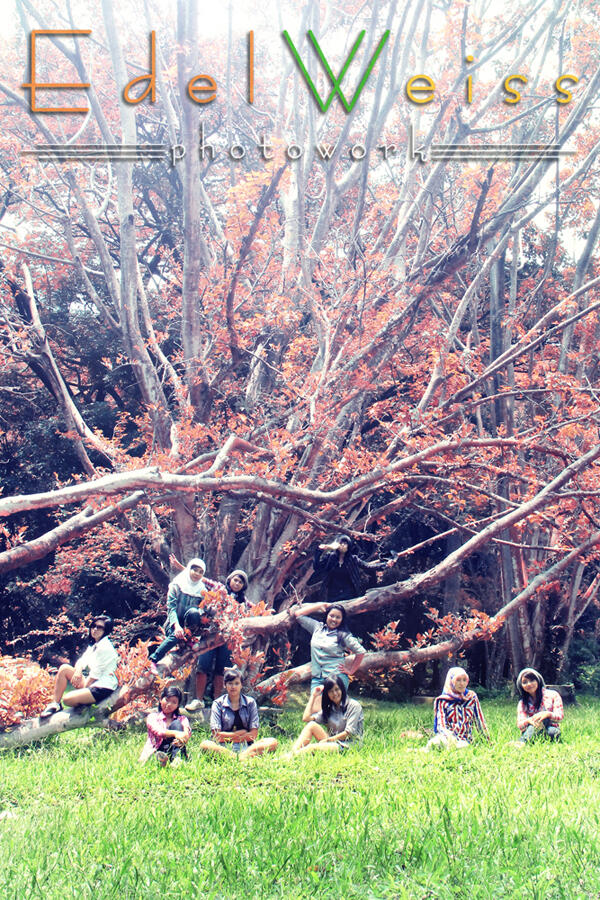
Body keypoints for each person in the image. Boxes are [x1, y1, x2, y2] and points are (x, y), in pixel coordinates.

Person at [186, 570, 251, 712]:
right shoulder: (219, 589)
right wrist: (181, 567)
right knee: (202, 666)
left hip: (227, 639)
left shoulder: (244, 602)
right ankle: (198, 700)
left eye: (240, 582)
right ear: (229, 580)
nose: (237, 583)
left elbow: (257, 610)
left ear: (243, 586)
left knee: (222, 671)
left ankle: (217, 702)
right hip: (210, 633)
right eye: (235, 580)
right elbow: (202, 578)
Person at [39, 615, 118, 717]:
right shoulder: (94, 645)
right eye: (93, 626)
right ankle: (55, 704)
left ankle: (84, 705)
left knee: (67, 699)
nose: (95, 629)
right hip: (92, 681)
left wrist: (82, 690)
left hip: (102, 687)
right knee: (64, 669)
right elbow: (81, 661)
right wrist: (78, 671)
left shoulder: (105, 648)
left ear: (106, 630)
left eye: (99, 627)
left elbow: (95, 676)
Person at [199, 667, 277, 760]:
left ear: (241, 685)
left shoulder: (250, 703)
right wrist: (239, 734)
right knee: (205, 745)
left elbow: (253, 735)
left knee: (272, 742)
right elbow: (217, 736)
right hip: (223, 747)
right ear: (225, 685)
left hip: (247, 747)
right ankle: (237, 757)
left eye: (236, 683)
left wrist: (231, 736)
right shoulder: (218, 704)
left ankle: (240, 757)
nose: (233, 687)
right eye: (230, 683)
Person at [292, 602, 365, 697]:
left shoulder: (344, 635)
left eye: (338, 617)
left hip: (336, 678)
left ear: (342, 620)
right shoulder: (317, 627)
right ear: (327, 616)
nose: (334, 619)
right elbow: (298, 615)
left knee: (334, 710)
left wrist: (351, 671)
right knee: (315, 710)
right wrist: (321, 605)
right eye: (331, 615)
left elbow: (361, 652)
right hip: (317, 678)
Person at [149, 558, 210, 668]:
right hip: (174, 624)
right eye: (195, 570)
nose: (197, 574)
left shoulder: (202, 589)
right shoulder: (176, 585)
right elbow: (171, 608)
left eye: (201, 572)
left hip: (189, 626)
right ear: (189, 569)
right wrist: (177, 626)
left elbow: (202, 611)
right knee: (177, 635)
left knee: (195, 613)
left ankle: (190, 639)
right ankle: (154, 659)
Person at [290, 675, 364, 754]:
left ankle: (290, 757)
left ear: (342, 689)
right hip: (333, 742)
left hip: (348, 746)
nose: (334, 693)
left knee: (312, 748)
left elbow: (349, 733)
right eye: (331, 691)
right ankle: (292, 753)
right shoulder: (330, 708)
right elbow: (306, 718)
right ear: (327, 694)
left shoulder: (354, 706)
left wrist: (328, 740)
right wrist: (313, 696)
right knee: (311, 725)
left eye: (337, 689)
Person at [425, 666, 489, 750]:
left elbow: (479, 721)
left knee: (462, 746)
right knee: (433, 743)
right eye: (458, 680)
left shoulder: (471, 697)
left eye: (464, 680)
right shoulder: (442, 700)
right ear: (451, 681)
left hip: (465, 740)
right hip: (447, 739)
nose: (461, 683)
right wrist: (450, 738)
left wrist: (487, 741)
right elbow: (441, 725)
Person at [313, 535, 386, 603]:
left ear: (349, 546)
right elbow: (317, 567)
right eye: (341, 543)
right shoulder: (330, 557)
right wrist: (319, 551)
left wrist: (385, 565)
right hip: (332, 593)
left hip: (349, 593)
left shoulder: (353, 559)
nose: (343, 545)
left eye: (345, 543)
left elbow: (367, 566)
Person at [139, 684, 191, 766]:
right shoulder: (153, 717)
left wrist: (182, 738)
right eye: (167, 700)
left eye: (174, 702)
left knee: (177, 723)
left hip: (175, 747)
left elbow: (186, 733)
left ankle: (177, 759)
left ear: (177, 705)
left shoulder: (182, 719)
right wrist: (176, 734)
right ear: (160, 699)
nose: (169, 704)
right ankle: (163, 760)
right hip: (157, 750)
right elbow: (159, 732)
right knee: (159, 755)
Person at [515, 667, 563, 745]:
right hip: (531, 729)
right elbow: (520, 725)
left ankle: (522, 742)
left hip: (551, 729)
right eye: (525, 682)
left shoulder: (553, 695)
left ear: (538, 681)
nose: (529, 684)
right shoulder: (522, 703)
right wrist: (529, 720)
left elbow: (560, 717)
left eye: (532, 680)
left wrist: (547, 714)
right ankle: (527, 740)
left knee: (547, 723)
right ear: (521, 686)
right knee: (536, 722)